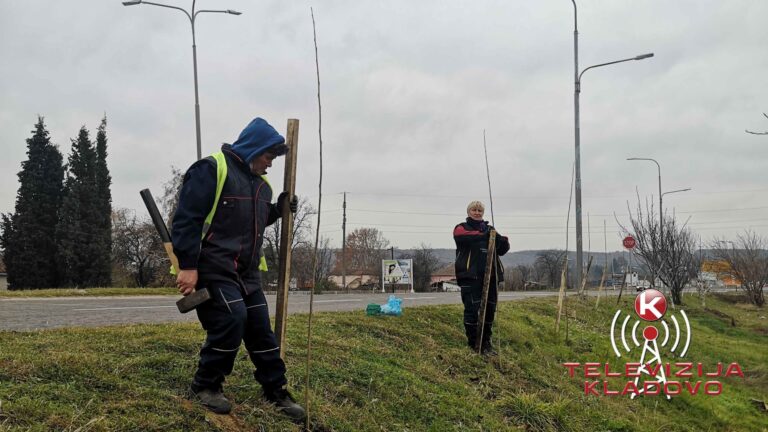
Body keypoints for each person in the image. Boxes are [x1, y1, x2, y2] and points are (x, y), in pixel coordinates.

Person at [172, 117, 305, 420]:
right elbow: (186, 220)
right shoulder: (211, 169)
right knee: (232, 319)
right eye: (268, 156)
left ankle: (276, 390)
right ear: (255, 148)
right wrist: (188, 265)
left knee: (261, 330)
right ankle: (206, 385)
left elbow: (251, 222)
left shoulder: (262, 186)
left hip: (246, 273)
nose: (270, 164)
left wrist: (278, 210)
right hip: (213, 267)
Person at [453, 200, 510, 355]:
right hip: (470, 276)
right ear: (468, 212)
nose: (477, 212)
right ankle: (474, 344)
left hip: (491, 277)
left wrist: (502, 240)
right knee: (472, 310)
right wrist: (484, 235)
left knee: (490, 310)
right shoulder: (461, 228)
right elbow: (463, 237)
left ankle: (486, 343)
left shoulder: (490, 229)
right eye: (474, 210)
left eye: (480, 210)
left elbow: (503, 249)